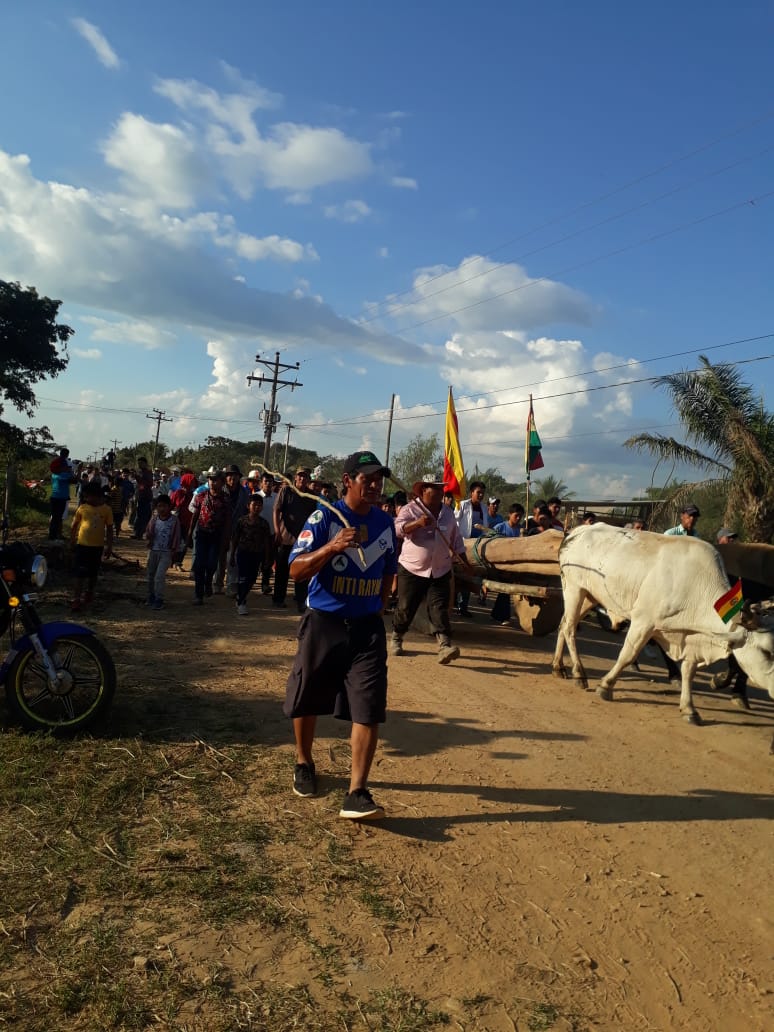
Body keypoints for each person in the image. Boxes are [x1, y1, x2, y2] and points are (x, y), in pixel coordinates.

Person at [283, 450, 397, 820]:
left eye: (379, 480)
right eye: (367, 479)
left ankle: (357, 791)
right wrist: (332, 547)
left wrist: (379, 604)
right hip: (324, 622)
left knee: (368, 706)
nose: (375, 486)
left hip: (366, 630)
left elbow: (388, 570)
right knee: (308, 696)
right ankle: (304, 761)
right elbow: (295, 570)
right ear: (347, 481)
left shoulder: (385, 523)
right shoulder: (325, 518)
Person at [391, 474, 468, 664]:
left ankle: (444, 645)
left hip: (440, 569)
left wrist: (465, 562)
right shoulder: (410, 509)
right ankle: (397, 636)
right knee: (406, 607)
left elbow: (456, 539)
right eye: (436, 488)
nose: (441, 491)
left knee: (439, 607)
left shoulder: (447, 513)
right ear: (424, 490)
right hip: (412, 568)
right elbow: (397, 529)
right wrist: (417, 523)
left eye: (442, 488)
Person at [273, 467, 318, 612]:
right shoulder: (286, 491)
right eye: (300, 476)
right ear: (295, 477)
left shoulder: (311, 496)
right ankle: (278, 599)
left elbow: (313, 517)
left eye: (305, 476)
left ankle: (301, 601)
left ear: (308, 479)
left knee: (302, 572)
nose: (302, 479)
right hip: (285, 537)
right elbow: (276, 510)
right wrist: (277, 530)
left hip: (302, 541)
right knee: (282, 571)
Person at [188, 469, 232, 604]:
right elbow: (195, 515)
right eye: (210, 479)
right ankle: (198, 594)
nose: (212, 482)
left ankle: (208, 582)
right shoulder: (201, 496)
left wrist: (226, 539)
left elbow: (228, 521)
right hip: (202, 534)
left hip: (217, 535)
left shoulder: (226, 499)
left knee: (212, 564)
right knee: (199, 564)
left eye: (216, 480)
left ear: (222, 482)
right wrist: (190, 533)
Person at [69, 480, 113, 611]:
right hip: (82, 546)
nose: (87, 499)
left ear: (98, 496)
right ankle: (76, 598)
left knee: (93, 573)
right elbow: (74, 526)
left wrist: (109, 546)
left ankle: (89, 592)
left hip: (97, 547)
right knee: (80, 574)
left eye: (89, 496)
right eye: (85, 496)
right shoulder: (82, 508)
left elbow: (109, 529)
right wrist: (72, 541)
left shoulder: (106, 510)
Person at [230, 493, 273, 615]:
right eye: (254, 505)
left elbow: (267, 542)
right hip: (243, 553)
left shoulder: (264, 524)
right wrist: (232, 554)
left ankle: (241, 596)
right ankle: (241, 602)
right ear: (248, 506)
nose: (257, 508)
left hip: (257, 554)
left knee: (252, 578)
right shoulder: (242, 521)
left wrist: (267, 558)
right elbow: (235, 538)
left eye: (259, 505)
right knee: (243, 577)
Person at [454, 481, 489, 615]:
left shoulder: (484, 508)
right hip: (463, 545)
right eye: (478, 492)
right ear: (471, 493)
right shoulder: (463, 505)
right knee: (461, 575)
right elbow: (455, 520)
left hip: (478, 547)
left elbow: (485, 527)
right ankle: (457, 605)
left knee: (470, 575)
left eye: (482, 493)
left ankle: (463, 606)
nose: (480, 495)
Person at [144, 494, 181, 610]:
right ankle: (151, 596)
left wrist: (174, 552)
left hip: (166, 552)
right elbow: (148, 532)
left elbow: (176, 537)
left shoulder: (174, 521)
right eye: (159, 506)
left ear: (169, 507)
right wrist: (148, 537)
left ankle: (159, 599)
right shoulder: (154, 519)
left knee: (159, 576)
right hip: (153, 551)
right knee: (150, 575)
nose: (162, 509)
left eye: (164, 506)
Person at [48, 447, 75, 541]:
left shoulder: (54, 474)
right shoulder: (63, 475)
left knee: (56, 518)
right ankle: (53, 536)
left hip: (55, 497)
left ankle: (53, 536)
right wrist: (74, 471)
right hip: (60, 499)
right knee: (57, 518)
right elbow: (74, 480)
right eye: (65, 466)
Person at [133, 456, 154, 539]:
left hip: (146, 497)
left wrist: (139, 479)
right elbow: (140, 485)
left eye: (141, 463)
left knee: (145, 516)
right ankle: (137, 533)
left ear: (145, 463)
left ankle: (141, 533)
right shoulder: (139, 472)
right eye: (139, 463)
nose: (139, 465)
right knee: (139, 515)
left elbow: (149, 484)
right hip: (140, 496)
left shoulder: (148, 473)